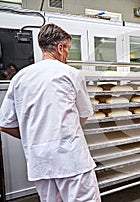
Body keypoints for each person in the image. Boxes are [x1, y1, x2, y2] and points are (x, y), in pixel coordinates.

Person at [0, 24, 101, 201]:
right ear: (60, 48)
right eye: (68, 49)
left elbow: (5, 125)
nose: (67, 55)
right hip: (71, 160)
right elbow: (83, 115)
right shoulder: (71, 74)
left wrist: (36, 134)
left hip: (40, 162)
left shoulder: (20, 78)